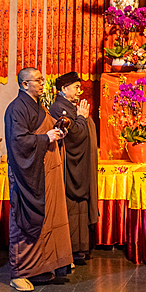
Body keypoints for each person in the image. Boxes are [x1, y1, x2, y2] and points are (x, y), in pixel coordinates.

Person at [4, 67, 73, 291]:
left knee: (49, 220)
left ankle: (40, 267)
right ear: (24, 84)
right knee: (27, 220)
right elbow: (18, 141)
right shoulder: (16, 109)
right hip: (29, 175)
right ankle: (20, 273)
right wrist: (45, 137)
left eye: (42, 79)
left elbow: (47, 126)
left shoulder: (38, 105)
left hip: (47, 171)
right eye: (38, 80)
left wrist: (59, 129)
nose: (42, 83)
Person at [49, 72, 99, 266]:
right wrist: (81, 118)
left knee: (80, 208)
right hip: (71, 166)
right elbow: (74, 136)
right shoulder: (58, 108)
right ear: (63, 89)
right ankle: (71, 248)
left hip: (80, 164)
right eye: (76, 87)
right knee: (72, 206)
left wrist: (82, 118)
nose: (80, 91)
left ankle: (80, 247)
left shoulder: (69, 107)